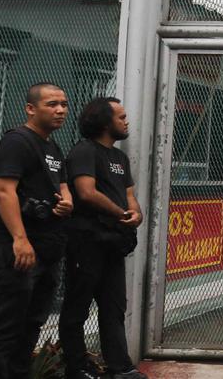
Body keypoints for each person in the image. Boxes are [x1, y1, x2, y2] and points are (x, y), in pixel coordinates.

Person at [60, 98, 146, 379]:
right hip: (87, 241)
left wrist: (136, 214)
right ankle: (77, 367)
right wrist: (122, 213)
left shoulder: (119, 158)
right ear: (104, 121)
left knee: (114, 307)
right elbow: (86, 192)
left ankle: (120, 368)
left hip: (113, 243)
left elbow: (130, 195)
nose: (126, 121)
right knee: (78, 306)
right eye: (121, 117)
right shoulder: (84, 151)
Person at [0, 83, 74, 379]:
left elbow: (63, 187)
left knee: (32, 324)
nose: (60, 110)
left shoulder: (53, 147)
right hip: (19, 249)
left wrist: (66, 202)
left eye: (64, 104)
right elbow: (3, 191)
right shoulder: (16, 142)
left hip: (48, 248)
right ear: (31, 108)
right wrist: (20, 239)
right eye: (52, 104)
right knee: (7, 326)